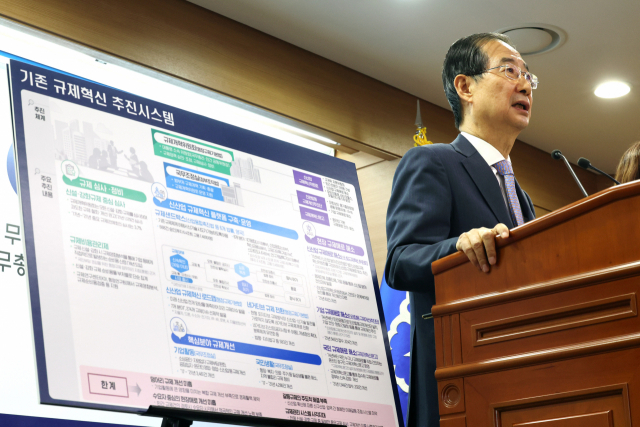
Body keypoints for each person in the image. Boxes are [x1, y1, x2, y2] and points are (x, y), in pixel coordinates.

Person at [385, 33, 537, 426]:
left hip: (521, 385)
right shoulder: (432, 162)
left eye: (528, 76)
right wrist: (458, 247)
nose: (524, 85)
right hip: (460, 393)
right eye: (510, 71)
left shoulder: (521, 198)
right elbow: (400, 262)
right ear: (465, 87)